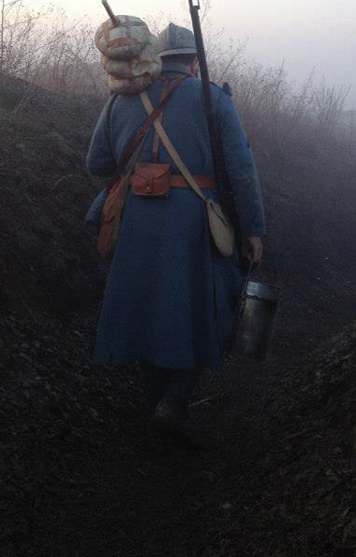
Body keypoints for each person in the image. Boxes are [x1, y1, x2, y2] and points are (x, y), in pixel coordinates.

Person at [86, 22, 265, 449]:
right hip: (193, 222)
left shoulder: (121, 98)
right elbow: (241, 170)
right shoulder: (213, 99)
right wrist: (253, 229)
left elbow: (96, 162)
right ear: (194, 61)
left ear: (157, 57)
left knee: (143, 308)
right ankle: (175, 399)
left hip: (135, 222)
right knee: (211, 305)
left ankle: (156, 403)